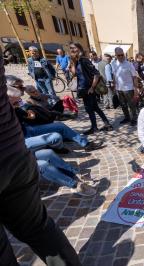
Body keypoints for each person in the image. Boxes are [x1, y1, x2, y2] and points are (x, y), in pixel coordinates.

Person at [0, 47, 81, 265]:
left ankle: (74, 176)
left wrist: (30, 101)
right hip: (16, 149)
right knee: (45, 158)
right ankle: (73, 180)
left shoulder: (22, 101)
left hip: (14, 151)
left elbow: (42, 109)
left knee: (50, 145)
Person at [69, 42, 112, 135]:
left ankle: (95, 127)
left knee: (90, 108)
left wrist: (92, 87)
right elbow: (74, 74)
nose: (72, 50)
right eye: (70, 48)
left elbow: (96, 74)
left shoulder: (84, 60)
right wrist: (72, 61)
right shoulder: (77, 61)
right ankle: (106, 124)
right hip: (82, 88)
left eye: (74, 48)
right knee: (94, 108)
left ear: (79, 48)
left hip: (88, 89)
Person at [111, 47, 138, 125]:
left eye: (122, 55)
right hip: (119, 88)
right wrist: (114, 85)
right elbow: (114, 75)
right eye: (118, 55)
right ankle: (127, 117)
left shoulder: (129, 64)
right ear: (115, 55)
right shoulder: (113, 64)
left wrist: (135, 89)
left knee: (131, 104)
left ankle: (134, 119)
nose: (121, 56)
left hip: (129, 88)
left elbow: (134, 77)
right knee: (123, 105)